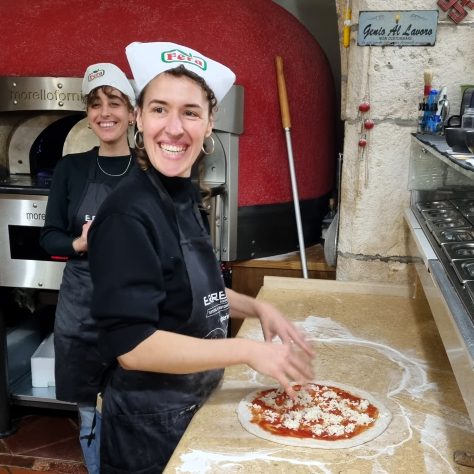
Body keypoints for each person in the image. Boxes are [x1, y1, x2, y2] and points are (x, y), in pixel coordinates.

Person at [87, 41, 315, 473]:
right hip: (148, 426)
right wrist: (246, 352)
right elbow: (133, 347)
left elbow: (192, 292)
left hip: (192, 405)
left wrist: (256, 306)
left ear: (210, 123)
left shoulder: (181, 196)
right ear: (138, 116)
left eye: (190, 112)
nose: (174, 128)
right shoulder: (126, 215)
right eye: (159, 109)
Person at [40, 62, 136, 474]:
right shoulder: (71, 169)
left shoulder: (151, 172)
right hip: (81, 304)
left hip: (135, 301)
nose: (104, 112)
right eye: (95, 104)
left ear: (132, 112)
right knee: (89, 410)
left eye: (114, 102)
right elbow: (49, 237)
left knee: (134, 403)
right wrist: (78, 242)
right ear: (88, 114)